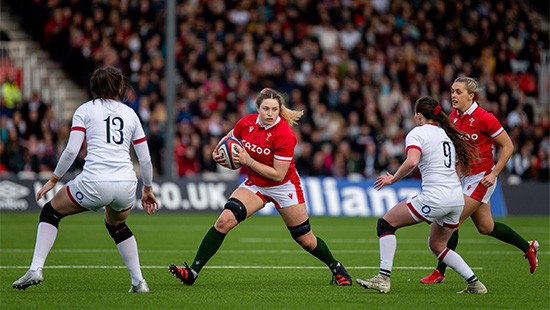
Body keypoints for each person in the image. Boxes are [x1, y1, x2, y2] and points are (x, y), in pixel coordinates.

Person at [168, 88, 352, 286]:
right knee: (224, 221)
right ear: (257, 108)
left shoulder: (285, 134)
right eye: (266, 109)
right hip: (256, 183)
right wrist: (218, 153)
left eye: (274, 109)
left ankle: (336, 267)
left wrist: (247, 160)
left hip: (284, 185)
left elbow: (278, 174)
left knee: (305, 239)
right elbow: (229, 138)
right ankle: (192, 273)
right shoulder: (246, 123)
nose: (270, 113)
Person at [12, 67, 158, 293]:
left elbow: (71, 150)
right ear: (119, 87)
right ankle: (139, 282)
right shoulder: (131, 114)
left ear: (93, 87)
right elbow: (145, 159)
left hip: (95, 181)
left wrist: (53, 179)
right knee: (117, 225)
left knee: (51, 211)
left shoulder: (85, 110)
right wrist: (147, 189)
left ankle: (35, 268)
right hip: (127, 184)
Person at [356, 96, 487, 294]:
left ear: (418, 115)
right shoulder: (447, 134)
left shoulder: (417, 133)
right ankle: (475, 283)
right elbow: (457, 167)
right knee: (438, 245)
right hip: (455, 198)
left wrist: (392, 179)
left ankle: (383, 278)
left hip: (436, 197)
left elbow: (411, 161)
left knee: (385, 224)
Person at [420, 77, 539, 284]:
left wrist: (494, 174)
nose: (453, 95)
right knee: (486, 227)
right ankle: (528, 247)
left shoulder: (485, 117)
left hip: (481, 179)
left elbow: (508, 146)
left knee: (452, 218)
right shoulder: (454, 117)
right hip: (465, 177)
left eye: (458, 92)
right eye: (452, 91)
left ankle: (440, 272)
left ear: (471, 96)